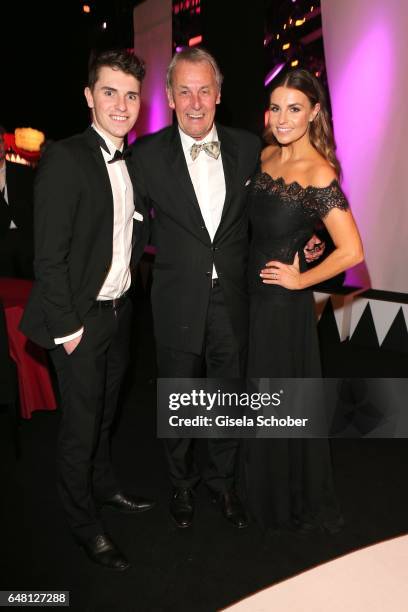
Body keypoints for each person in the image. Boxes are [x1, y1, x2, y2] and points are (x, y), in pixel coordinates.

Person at [20, 49, 154, 570]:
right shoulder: (66, 157)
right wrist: (69, 328)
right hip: (80, 319)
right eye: (109, 92)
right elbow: (47, 257)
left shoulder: (133, 162)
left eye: (130, 94)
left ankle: (103, 487)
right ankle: (83, 525)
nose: (121, 104)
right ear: (88, 96)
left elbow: (130, 233)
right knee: (79, 427)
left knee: (105, 416)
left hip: (121, 314)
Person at [131, 48, 261, 529]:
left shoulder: (249, 148)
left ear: (219, 94)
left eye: (204, 89)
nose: (195, 101)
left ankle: (222, 484)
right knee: (180, 399)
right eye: (183, 91)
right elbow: (128, 227)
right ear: (168, 97)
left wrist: (304, 247)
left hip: (232, 299)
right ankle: (181, 485)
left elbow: (264, 218)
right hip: (175, 300)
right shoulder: (145, 157)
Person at [243, 68, 364, 531]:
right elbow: (284, 218)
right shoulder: (268, 152)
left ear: (314, 113)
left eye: (294, 108)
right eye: (276, 107)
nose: (282, 117)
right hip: (251, 295)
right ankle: (261, 483)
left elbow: (353, 251)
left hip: (280, 304)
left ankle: (279, 497)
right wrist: (307, 236)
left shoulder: (318, 171)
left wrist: (302, 280)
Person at [0, 125, 35, 278]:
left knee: (30, 286)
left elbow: (36, 204)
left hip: (26, 238)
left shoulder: (23, 171)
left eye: (0, 141)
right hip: (1, 241)